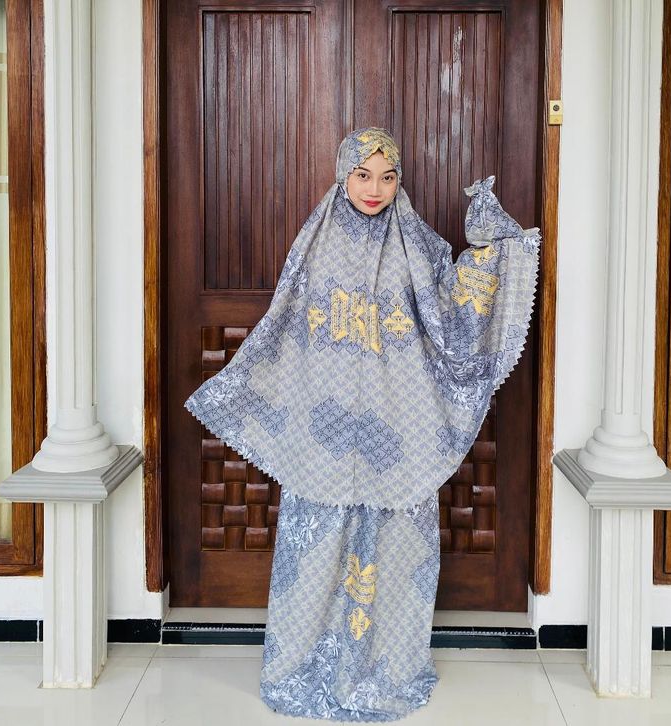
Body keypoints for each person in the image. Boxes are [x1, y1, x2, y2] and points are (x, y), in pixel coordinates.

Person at [184, 127, 540, 721]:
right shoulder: (315, 240)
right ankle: (302, 664)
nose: (374, 188)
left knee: (396, 548)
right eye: (363, 174)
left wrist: (490, 250)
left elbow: (453, 314)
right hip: (322, 430)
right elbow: (286, 324)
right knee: (316, 548)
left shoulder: (418, 243)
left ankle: (389, 668)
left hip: (399, 427)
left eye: (387, 176)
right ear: (343, 175)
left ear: (399, 181)